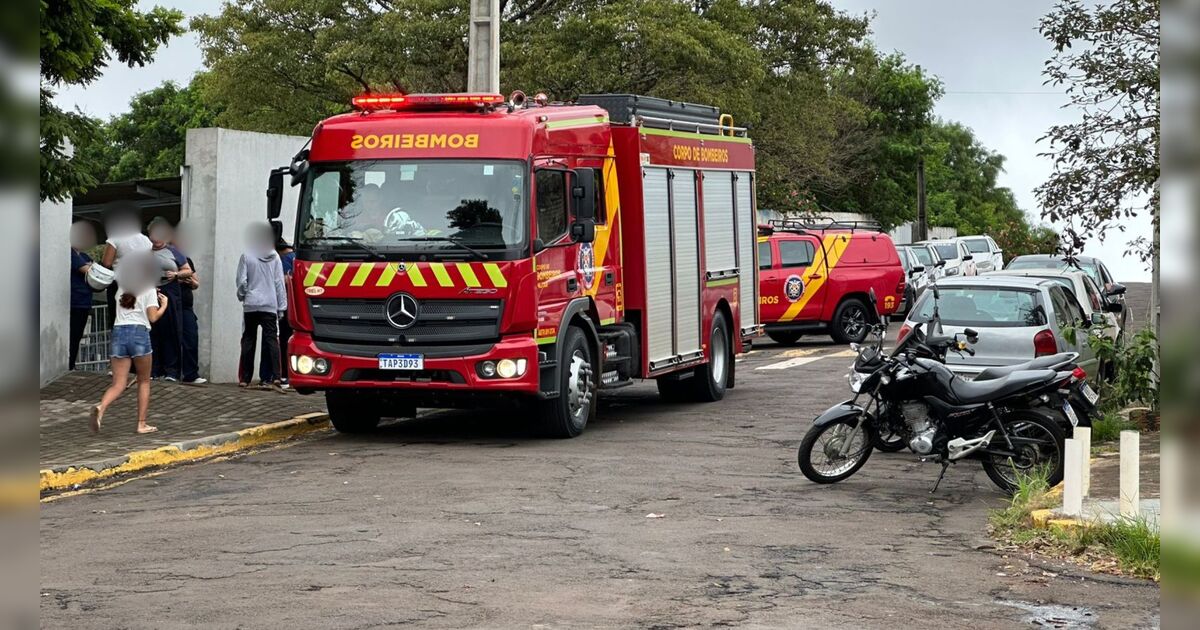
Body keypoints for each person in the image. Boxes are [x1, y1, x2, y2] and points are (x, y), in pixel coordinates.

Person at [90, 253, 167, 434]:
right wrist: (164, 304)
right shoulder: (149, 289)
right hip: (139, 333)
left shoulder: (121, 289)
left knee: (118, 383)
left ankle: (101, 407)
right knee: (144, 381)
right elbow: (153, 317)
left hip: (119, 332)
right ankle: (141, 424)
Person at [237, 223, 288, 390]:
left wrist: (243, 296)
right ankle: (276, 376)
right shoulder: (275, 257)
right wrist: (282, 307)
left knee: (248, 340)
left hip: (251, 304)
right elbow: (279, 283)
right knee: (272, 340)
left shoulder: (247, 255)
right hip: (270, 304)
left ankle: (245, 378)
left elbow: (242, 281)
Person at [146, 217, 193, 381]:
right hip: (150, 291)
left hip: (170, 291)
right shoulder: (144, 251)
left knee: (171, 330)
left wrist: (176, 274)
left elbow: (188, 271)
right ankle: (153, 369)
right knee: (152, 330)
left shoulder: (174, 251)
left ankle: (171, 371)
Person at [261, 239, 295, 386]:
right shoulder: (296, 257)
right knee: (288, 339)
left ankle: (271, 376)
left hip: (278, 305)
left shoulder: (282, 260)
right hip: (294, 307)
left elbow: (283, 281)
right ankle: (286, 375)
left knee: (273, 340)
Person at [69, 220, 98, 370]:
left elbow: (95, 270)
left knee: (77, 335)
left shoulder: (85, 256)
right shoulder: (70, 254)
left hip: (84, 302)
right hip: (73, 302)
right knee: (72, 335)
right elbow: (88, 270)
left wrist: (92, 267)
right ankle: (68, 365)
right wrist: (91, 267)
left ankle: (72, 364)